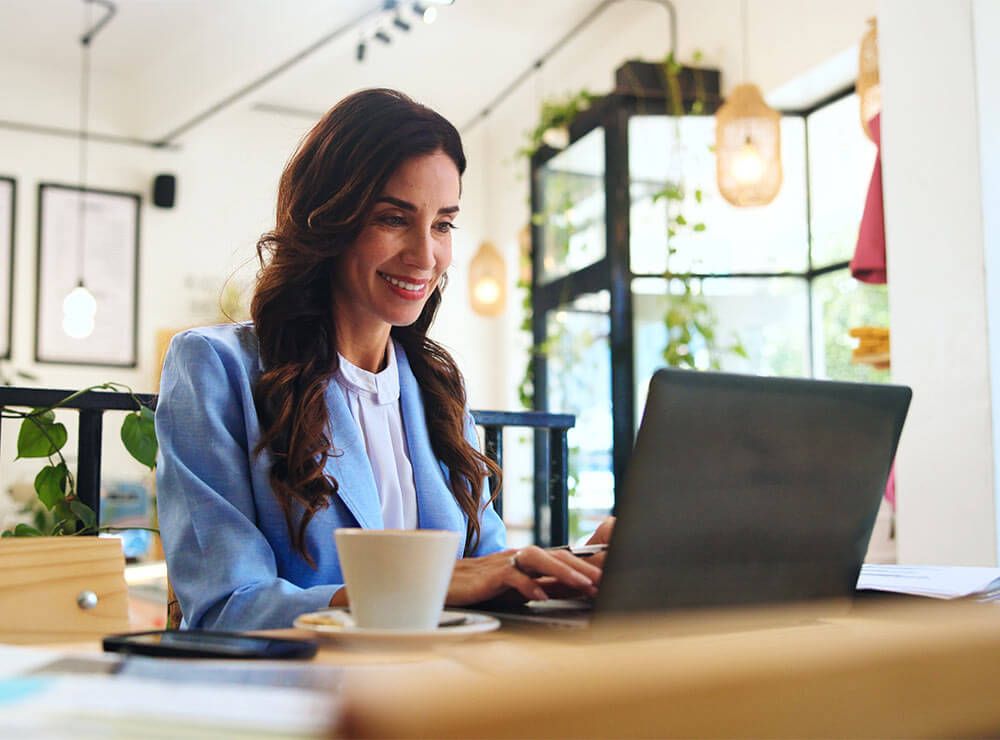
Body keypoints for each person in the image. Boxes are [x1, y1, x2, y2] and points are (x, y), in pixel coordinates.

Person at [156, 88, 612, 630]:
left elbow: (484, 572)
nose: (425, 255)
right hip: (302, 679)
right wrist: (424, 586)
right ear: (328, 220)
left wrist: (570, 571)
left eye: (443, 224)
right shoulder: (215, 368)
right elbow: (225, 607)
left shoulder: (437, 388)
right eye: (394, 219)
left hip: (444, 676)